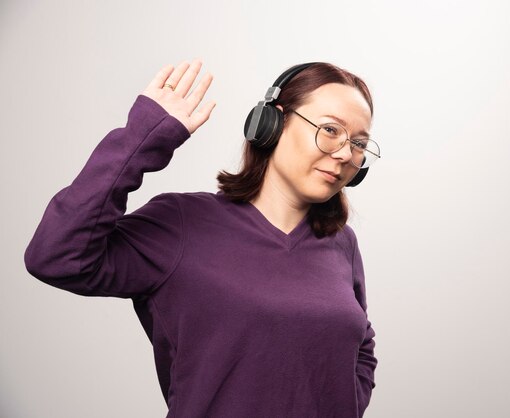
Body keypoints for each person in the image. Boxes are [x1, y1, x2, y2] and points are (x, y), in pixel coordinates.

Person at [24, 58, 380, 418]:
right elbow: (56, 256)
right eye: (331, 130)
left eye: (359, 143)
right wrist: (142, 139)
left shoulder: (341, 243)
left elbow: (360, 345)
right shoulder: (182, 225)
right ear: (272, 124)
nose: (346, 154)